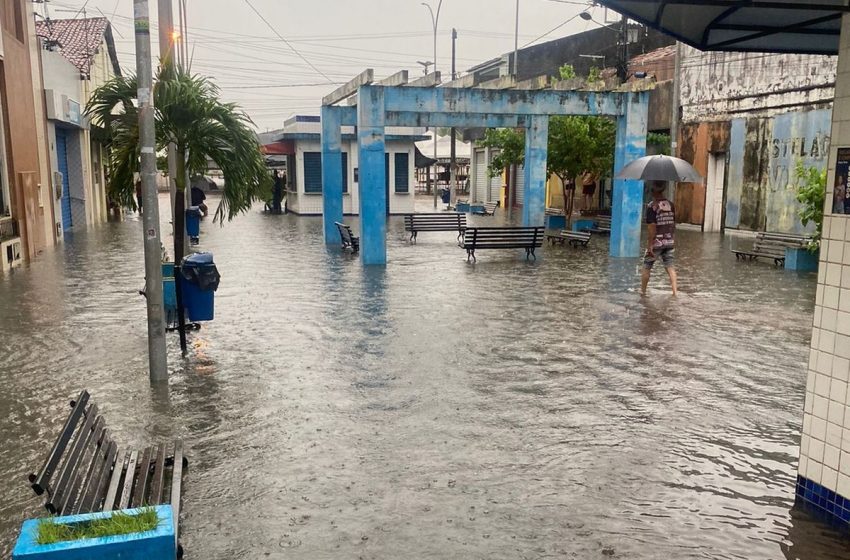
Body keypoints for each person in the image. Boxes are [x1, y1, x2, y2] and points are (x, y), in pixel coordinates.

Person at [641, 181, 678, 296]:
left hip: (657, 242)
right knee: (670, 266)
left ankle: (643, 292)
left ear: (653, 191)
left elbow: (652, 228)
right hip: (669, 241)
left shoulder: (652, 206)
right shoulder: (671, 205)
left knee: (647, 266)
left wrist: (650, 245)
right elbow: (673, 222)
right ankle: (675, 292)